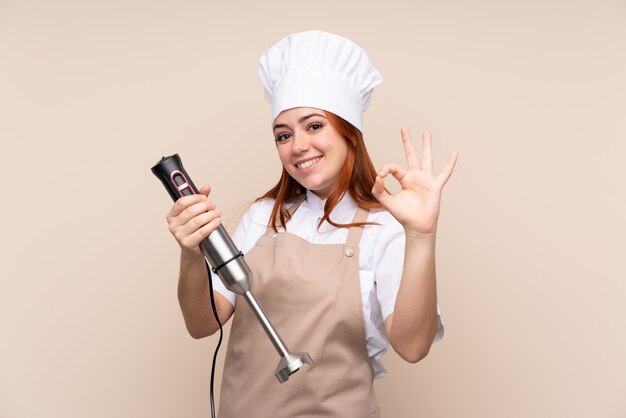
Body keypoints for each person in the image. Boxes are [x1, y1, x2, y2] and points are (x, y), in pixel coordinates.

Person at [165, 30, 458, 417]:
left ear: (349, 133)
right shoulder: (261, 217)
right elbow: (204, 323)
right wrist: (190, 253)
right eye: (283, 134)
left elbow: (413, 346)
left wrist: (421, 236)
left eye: (314, 126)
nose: (297, 145)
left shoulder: (383, 226)